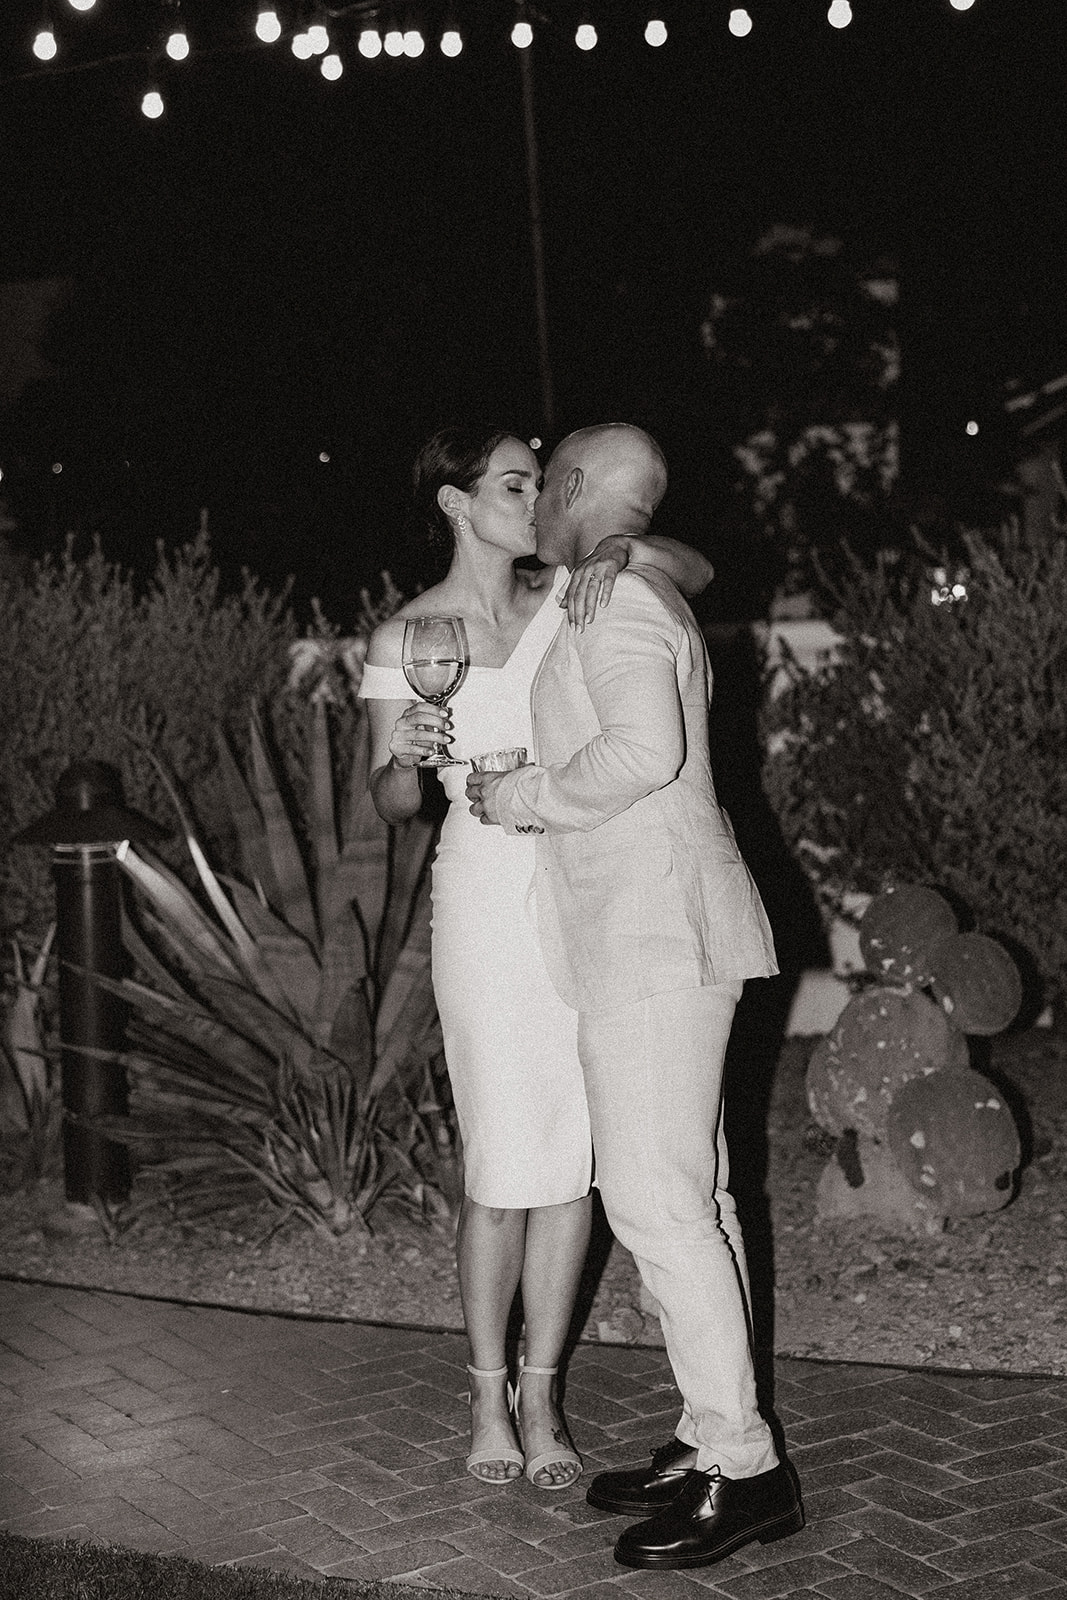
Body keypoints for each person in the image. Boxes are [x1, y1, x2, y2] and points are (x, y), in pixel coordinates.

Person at [465, 423, 804, 1567]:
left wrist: (520, 795)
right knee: (688, 1199)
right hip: (663, 930)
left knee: (656, 1205)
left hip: (652, 932)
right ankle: (710, 1436)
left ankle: (744, 1469)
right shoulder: (616, 586)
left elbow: (639, 753)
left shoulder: (615, 599)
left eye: (545, 477)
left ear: (566, 486)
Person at [359, 424, 713, 1491]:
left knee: (572, 1161)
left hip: (582, 883)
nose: (536, 496)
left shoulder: (574, 590)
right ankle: (484, 1399)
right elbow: (384, 797)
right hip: (481, 894)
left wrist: (617, 551)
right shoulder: (404, 636)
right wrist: (407, 762)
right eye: (514, 482)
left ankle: (545, 1391)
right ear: (456, 504)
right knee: (504, 1161)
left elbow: (696, 567)